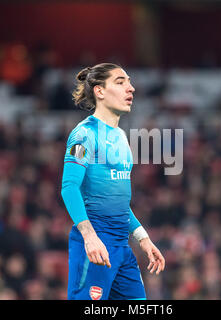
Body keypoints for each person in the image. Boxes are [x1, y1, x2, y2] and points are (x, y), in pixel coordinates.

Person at [61, 63, 165, 300]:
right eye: (120, 82)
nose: (131, 88)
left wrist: (143, 239)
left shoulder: (120, 137)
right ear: (100, 91)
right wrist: (89, 237)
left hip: (121, 248)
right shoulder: (83, 135)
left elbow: (116, 201)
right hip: (95, 246)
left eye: (129, 81)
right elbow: (69, 187)